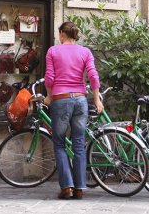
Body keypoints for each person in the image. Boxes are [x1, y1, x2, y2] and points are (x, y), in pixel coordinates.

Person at [44, 21, 104, 200]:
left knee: (59, 143)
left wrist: (48, 95)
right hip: (80, 100)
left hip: (60, 100)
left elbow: (49, 77)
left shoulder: (53, 51)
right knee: (78, 143)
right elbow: (93, 75)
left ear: (62, 33)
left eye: (59, 34)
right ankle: (79, 188)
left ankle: (67, 188)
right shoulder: (85, 52)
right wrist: (96, 99)